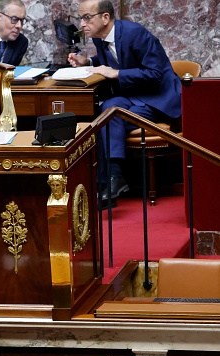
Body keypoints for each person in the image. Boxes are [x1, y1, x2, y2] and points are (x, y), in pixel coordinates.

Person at [68, 0, 181, 205]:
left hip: (158, 98)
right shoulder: (100, 38)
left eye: (87, 18)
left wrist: (116, 73)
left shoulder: (135, 33)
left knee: (111, 118)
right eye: (80, 18)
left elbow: (155, 74)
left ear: (105, 17)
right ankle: (112, 179)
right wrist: (89, 62)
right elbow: (117, 58)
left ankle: (108, 183)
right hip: (134, 95)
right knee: (106, 112)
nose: (82, 24)